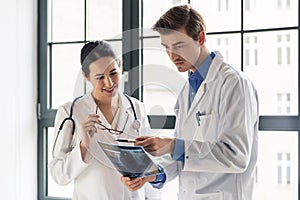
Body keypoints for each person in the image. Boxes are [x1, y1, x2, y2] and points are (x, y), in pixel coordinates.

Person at [121, 5, 259, 200]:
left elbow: (236, 156)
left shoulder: (234, 83)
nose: (171, 55)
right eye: (166, 47)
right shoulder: (188, 89)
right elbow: (184, 158)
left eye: (178, 45)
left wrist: (173, 145)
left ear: (200, 38)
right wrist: (151, 175)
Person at [49, 40, 165, 200]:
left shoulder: (137, 109)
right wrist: (83, 146)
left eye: (113, 73)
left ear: (120, 65)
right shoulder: (70, 112)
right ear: (86, 76)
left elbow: (151, 164)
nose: (109, 83)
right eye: (99, 77)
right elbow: (59, 174)